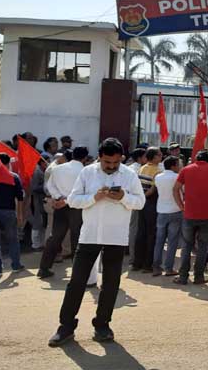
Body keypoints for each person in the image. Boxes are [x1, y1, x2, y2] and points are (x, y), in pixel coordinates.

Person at [48, 138, 145, 347]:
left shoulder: (129, 175)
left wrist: (123, 197)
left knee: (110, 284)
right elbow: (72, 200)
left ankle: (102, 325)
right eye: (107, 162)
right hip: (89, 236)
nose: (111, 167)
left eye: (115, 163)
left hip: (116, 238)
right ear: (100, 157)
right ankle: (65, 327)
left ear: (121, 159)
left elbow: (140, 202)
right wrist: (95, 197)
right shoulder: (87, 172)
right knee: (76, 283)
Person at [38, 146, 88, 278]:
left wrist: (58, 198)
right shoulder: (85, 171)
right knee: (77, 238)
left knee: (55, 237)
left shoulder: (57, 169)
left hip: (60, 206)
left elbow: (50, 186)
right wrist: (64, 200)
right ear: (85, 158)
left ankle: (43, 268)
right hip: (76, 207)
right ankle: (77, 272)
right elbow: (83, 191)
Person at [172, 150, 208, 285]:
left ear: (196, 159)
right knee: (203, 246)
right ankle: (198, 276)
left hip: (189, 213)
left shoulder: (186, 170)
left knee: (187, 246)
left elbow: (175, 189)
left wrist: (181, 205)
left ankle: (183, 276)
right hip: (207, 214)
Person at [152, 156, 183, 276]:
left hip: (161, 210)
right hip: (175, 210)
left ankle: (156, 267)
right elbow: (182, 191)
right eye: (178, 164)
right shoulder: (177, 177)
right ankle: (168, 268)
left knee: (159, 241)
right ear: (173, 166)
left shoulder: (158, 177)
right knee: (172, 241)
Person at [134, 147, 162, 272]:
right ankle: (147, 264)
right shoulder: (157, 170)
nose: (161, 157)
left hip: (142, 203)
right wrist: (145, 197)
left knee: (141, 233)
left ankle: (137, 263)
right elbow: (152, 189)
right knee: (151, 234)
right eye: (159, 155)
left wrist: (141, 198)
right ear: (154, 157)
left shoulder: (142, 168)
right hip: (151, 203)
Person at [29, 153, 51, 250]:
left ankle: (41, 243)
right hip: (38, 201)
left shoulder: (44, 171)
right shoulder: (37, 172)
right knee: (37, 222)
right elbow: (34, 188)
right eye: (46, 161)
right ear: (42, 162)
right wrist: (46, 187)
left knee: (43, 223)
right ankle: (35, 244)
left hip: (43, 201)